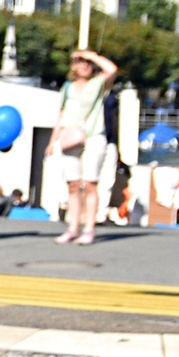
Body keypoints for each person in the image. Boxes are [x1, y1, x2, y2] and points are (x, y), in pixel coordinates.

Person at [50, 46, 118, 245]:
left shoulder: (98, 84)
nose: (85, 65)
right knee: (72, 184)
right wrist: (54, 140)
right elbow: (61, 114)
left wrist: (92, 56)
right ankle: (72, 228)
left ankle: (89, 229)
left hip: (93, 136)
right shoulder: (67, 87)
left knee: (90, 183)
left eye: (87, 63)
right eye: (80, 62)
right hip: (71, 137)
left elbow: (112, 70)